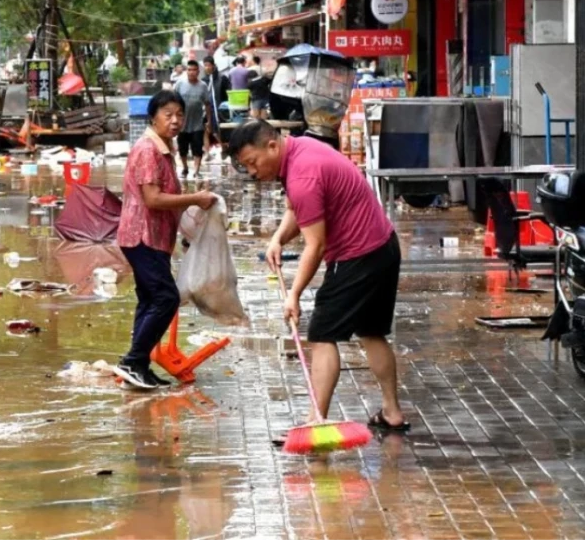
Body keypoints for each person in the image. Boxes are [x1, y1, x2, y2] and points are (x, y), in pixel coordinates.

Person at [228, 120, 409, 435]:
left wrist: (293, 294)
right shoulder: (301, 149)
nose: (254, 173)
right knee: (370, 332)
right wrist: (278, 239)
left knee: (322, 334)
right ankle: (392, 412)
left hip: (357, 256)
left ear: (272, 145)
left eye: (253, 163)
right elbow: (298, 210)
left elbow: (316, 244)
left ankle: (316, 420)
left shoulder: (303, 175)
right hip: (383, 247)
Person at [115, 90, 217, 390]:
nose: (175, 121)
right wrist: (196, 198)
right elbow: (153, 198)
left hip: (155, 237)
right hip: (141, 234)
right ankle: (133, 361)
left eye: (179, 115)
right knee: (165, 297)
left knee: (149, 299)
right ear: (153, 116)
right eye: (168, 114)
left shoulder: (164, 148)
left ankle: (137, 367)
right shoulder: (148, 149)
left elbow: (166, 198)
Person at [173, 60, 209, 179]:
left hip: (197, 124)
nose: (191, 72)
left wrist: (209, 120)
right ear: (186, 71)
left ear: (198, 72)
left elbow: (207, 104)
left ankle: (197, 170)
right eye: (189, 70)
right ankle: (185, 168)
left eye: (194, 70)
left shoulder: (203, 86)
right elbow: (172, 100)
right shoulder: (179, 84)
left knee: (197, 149)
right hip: (182, 124)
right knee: (182, 149)